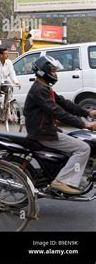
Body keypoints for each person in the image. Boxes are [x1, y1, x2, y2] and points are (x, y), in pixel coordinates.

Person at [24, 55, 96, 195]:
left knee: (78, 141)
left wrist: (89, 113)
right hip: (43, 133)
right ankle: (62, 181)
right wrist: (84, 125)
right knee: (83, 148)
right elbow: (58, 112)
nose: (55, 74)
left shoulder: (44, 88)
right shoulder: (39, 90)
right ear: (43, 72)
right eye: (53, 71)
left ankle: (68, 174)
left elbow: (64, 103)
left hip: (46, 129)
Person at [0, 48, 20, 130]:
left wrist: (16, 82)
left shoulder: (9, 62)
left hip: (4, 82)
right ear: (1, 55)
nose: (7, 55)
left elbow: (12, 73)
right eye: (6, 53)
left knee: (10, 88)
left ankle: (4, 115)